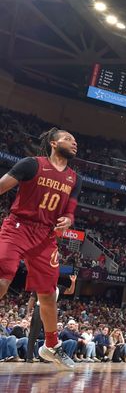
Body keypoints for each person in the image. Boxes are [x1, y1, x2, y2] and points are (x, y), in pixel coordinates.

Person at [0, 128, 82, 369]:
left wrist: (68, 220)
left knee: (48, 294)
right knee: (3, 278)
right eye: (69, 138)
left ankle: (51, 346)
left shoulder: (75, 179)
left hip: (46, 236)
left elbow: (69, 210)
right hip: (18, 226)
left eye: (75, 140)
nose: (74, 143)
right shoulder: (31, 164)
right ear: (54, 143)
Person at [26, 273, 77, 362]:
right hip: (39, 308)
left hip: (51, 310)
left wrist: (73, 282)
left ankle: (45, 357)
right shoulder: (39, 284)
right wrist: (28, 312)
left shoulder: (58, 287)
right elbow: (32, 299)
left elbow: (70, 291)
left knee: (49, 335)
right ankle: (29, 357)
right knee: (33, 334)